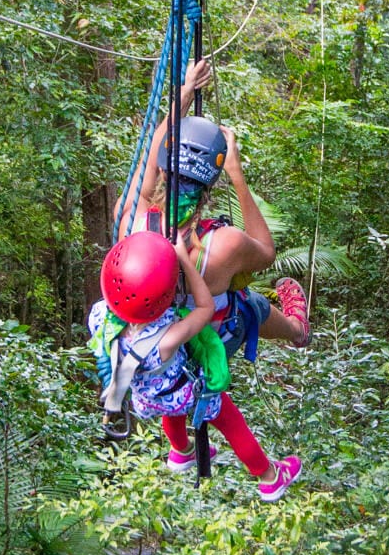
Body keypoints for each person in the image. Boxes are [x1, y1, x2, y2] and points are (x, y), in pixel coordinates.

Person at [114, 59, 311, 360]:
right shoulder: (223, 245)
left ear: (165, 172)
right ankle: (297, 330)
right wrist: (236, 173)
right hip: (205, 347)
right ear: (210, 186)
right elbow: (267, 252)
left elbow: (146, 165)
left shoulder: (130, 221)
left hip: (149, 346)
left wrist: (184, 94)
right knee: (250, 303)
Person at [88, 229, 302, 501]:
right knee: (230, 421)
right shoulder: (165, 339)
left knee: (171, 397)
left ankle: (181, 450)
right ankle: (269, 476)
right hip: (182, 394)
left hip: (144, 400)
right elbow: (205, 308)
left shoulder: (98, 316)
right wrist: (184, 261)